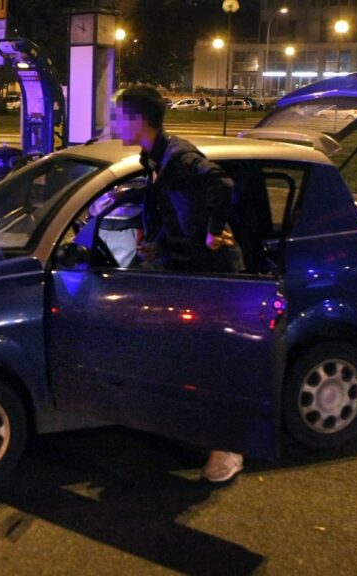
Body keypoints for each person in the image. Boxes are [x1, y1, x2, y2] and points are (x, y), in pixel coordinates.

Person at [112, 84, 245, 483]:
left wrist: (212, 231)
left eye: (119, 115)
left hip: (214, 270)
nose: (114, 123)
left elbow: (222, 184)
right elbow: (170, 211)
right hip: (185, 267)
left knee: (213, 359)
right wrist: (153, 243)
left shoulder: (181, 157)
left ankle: (229, 447)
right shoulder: (153, 159)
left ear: (138, 120)